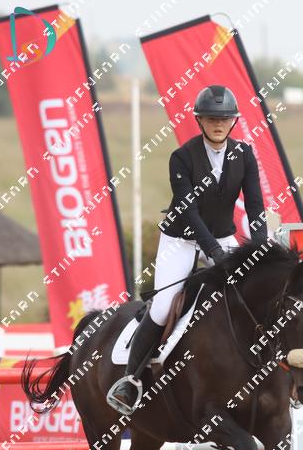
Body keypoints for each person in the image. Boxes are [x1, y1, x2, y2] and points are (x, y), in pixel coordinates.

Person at [107, 84, 268, 415]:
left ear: (234, 121)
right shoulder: (182, 158)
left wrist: (260, 248)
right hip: (181, 240)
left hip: (223, 236)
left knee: (250, 295)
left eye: (224, 119)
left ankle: (263, 371)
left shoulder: (244, 155)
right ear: (199, 120)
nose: (218, 124)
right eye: (211, 118)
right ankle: (130, 380)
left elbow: (255, 205)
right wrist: (216, 253)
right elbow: (189, 212)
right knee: (163, 306)